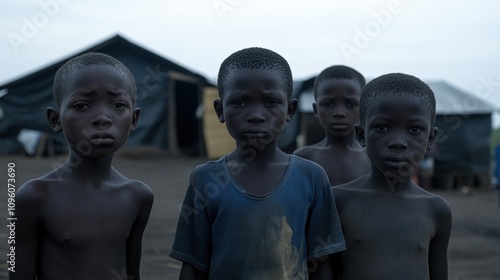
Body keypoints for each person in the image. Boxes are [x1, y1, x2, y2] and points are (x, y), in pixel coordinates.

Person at [169, 47, 345, 279]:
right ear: (220, 111)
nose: (256, 115)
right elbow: (193, 266)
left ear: (290, 110)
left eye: (271, 102)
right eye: (240, 102)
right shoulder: (205, 179)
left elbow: (321, 263)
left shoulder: (311, 177)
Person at [12, 53, 154, 280]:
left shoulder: (139, 196)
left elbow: (132, 274)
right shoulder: (33, 197)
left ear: (133, 120)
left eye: (118, 105)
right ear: (55, 119)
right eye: (82, 105)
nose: (102, 118)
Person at [331, 73, 452, 279]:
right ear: (362, 135)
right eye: (382, 127)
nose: (398, 141)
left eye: (414, 129)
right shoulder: (337, 202)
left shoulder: (436, 210)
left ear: (430, 139)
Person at [294, 65, 370, 186]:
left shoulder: (372, 159)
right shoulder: (303, 158)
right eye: (328, 104)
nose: (339, 113)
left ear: (364, 109)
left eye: (350, 104)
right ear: (315, 110)